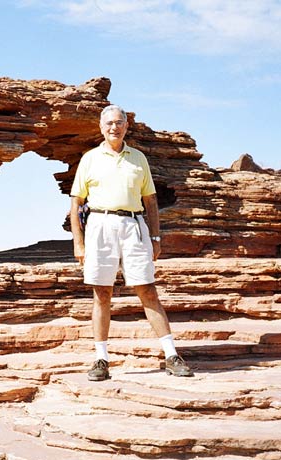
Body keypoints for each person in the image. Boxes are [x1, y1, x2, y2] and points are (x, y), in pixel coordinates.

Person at [69, 104, 193, 381]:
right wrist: (79, 242)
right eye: (109, 123)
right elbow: (76, 202)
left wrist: (156, 236)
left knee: (147, 289)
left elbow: (150, 199)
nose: (114, 127)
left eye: (119, 123)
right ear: (101, 127)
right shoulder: (89, 158)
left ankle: (171, 355)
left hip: (134, 226)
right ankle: (101, 359)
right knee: (102, 293)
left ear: (127, 126)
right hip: (100, 225)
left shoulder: (138, 158)